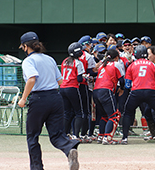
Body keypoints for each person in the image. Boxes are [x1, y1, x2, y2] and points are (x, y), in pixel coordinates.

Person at [17, 31, 79, 170]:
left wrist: (23, 98)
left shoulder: (28, 61)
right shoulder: (50, 59)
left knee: (32, 136)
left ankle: (37, 167)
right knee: (57, 135)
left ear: (25, 47)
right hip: (56, 98)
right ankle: (69, 149)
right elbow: (61, 81)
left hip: (39, 99)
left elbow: (32, 79)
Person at [120, 45, 155, 145]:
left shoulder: (132, 65)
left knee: (127, 113)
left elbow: (127, 85)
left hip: (136, 91)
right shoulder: (152, 64)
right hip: (151, 91)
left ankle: (124, 138)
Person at [93, 49, 125, 145]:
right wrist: (122, 89)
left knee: (104, 116)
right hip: (106, 90)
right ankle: (107, 138)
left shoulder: (102, 65)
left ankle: (101, 136)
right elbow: (122, 80)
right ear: (116, 57)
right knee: (114, 115)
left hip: (96, 91)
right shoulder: (116, 64)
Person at [60, 42, 86, 142]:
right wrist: (86, 79)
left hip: (62, 88)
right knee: (79, 113)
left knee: (67, 112)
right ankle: (76, 135)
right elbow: (79, 79)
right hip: (72, 88)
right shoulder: (78, 63)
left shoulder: (65, 61)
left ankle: (64, 133)